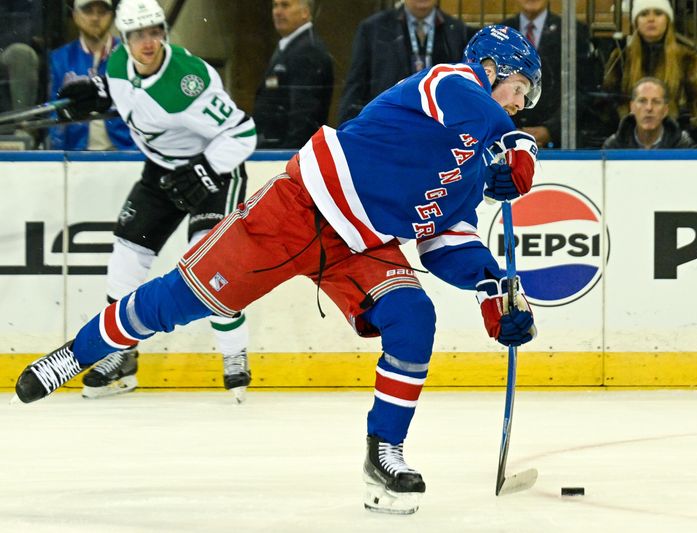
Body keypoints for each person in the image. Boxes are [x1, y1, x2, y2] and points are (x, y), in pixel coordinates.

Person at [15, 24, 541, 515]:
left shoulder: (478, 166)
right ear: (489, 68)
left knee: (413, 317)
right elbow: (471, 109)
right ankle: (78, 353)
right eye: (518, 88)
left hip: (360, 246)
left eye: (526, 100)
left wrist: (492, 286)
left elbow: (448, 241)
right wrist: (518, 143)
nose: (519, 104)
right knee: (179, 300)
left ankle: (385, 454)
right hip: (298, 209)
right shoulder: (449, 82)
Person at [52, 0, 255, 402]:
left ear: (163, 32)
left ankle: (235, 353)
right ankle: (121, 353)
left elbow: (243, 132)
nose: (148, 42)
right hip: (162, 170)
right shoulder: (117, 65)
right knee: (125, 259)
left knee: (209, 263)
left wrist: (204, 170)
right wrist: (99, 93)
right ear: (124, 39)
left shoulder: (189, 81)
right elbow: (128, 95)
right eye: (138, 35)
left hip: (215, 171)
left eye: (154, 32)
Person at [336, 0, 472, 124]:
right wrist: (347, 130)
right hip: (387, 126)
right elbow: (355, 85)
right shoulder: (373, 29)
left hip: (440, 128)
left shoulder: (457, 30)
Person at [602, 0, 697, 135]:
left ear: (667, 20)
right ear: (636, 22)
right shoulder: (621, 58)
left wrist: (680, 123)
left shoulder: (686, 59)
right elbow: (605, 104)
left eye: (658, 13)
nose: (651, 19)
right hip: (630, 140)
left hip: (674, 141)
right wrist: (627, 120)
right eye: (644, 14)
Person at [500, 0, 599, 148]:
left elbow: (583, 89)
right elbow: (493, 87)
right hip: (507, 140)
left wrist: (551, 130)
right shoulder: (500, 32)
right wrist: (508, 130)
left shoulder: (573, 31)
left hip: (560, 143)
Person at [49, 0, 136, 150]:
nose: (95, 18)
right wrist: (57, 154)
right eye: (88, 11)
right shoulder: (59, 58)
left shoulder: (130, 55)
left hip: (125, 152)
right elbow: (52, 114)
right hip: (75, 155)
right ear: (75, 16)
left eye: (102, 12)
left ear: (112, 16)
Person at [252, 0, 333, 149]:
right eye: (275, 6)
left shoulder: (308, 50)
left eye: (285, 5)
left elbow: (304, 114)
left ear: (305, 12)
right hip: (272, 148)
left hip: (287, 152)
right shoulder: (289, 46)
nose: (277, 12)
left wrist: (290, 154)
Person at [602, 76, 696, 148]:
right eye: (642, 101)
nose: (649, 108)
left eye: (656, 102)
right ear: (632, 107)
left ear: (665, 110)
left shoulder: (683, 146)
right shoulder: (614, 147)